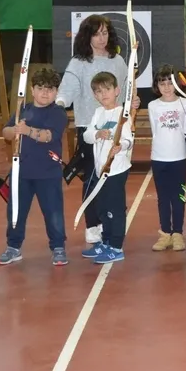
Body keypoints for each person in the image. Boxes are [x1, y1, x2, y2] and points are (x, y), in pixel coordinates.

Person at [56, 14, 135, 245]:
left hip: (116, 127)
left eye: (105, 33)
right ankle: (93, 225)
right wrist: (58, 105)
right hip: (90, 129)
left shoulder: (117, 61)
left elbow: (127, 89)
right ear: (87, 36)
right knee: (92, 177)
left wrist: (132, 103)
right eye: (96, 33)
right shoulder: (79, 62)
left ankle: (112, 223)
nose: (101, 38)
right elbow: (66, 91)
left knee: (113, 177)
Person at [0, 69, 69, 266]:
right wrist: (14, 129)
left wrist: (27, 131)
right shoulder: (23, 110)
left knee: (53, 211)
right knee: (15, 212)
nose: (45, 93)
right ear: (32, 89)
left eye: (50, 89)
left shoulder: (58, 113)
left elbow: (49, 136)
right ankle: (13, 247)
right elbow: (6, 132)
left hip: (48, 173)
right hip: (22, 173)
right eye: (40, 88)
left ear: (56, 92)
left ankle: (58, 247)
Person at [81, 72, 135, 264]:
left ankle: (116, 247)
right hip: (100, 170)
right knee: (102, 208)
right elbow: (86, 135)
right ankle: (105, 242)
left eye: (107, 90)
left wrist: (122, 146)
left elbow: (129, 139)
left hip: (116, 170)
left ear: (117, 91)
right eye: (98, 91)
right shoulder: (98, 113)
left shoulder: (123, 114)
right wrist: (97, 133)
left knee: (115, 209)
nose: (103, 94)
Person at [148, 65, 186, 252]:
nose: (166, 86)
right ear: (156, 85)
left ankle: (178, 233)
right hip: (159, 158)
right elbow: (155, 131)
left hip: (179, 158)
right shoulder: (153, 106)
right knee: (163, 197)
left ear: (176, 83)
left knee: (178, 196)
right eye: (162, 82)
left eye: (170, 82)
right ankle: (165, 233)